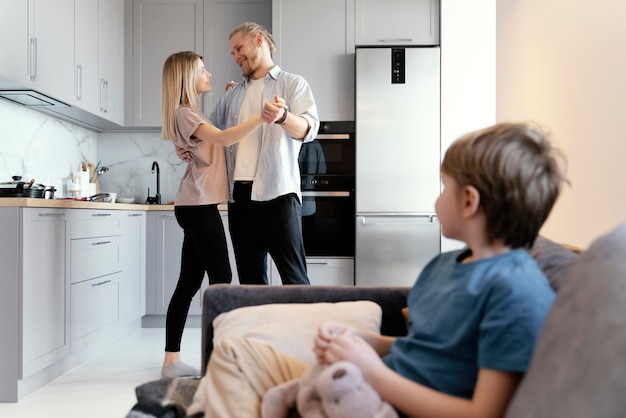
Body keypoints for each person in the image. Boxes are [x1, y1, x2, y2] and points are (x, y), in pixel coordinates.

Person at [196, 122, 568, 417]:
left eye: (444, 188)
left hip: (384, 404)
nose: (437, 198)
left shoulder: (516, 291)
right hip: (365, 383)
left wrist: (371, 371)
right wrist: (364, 342)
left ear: (469, 201)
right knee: (233, 353)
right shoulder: (445, 266)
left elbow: (483, 412)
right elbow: (425, 346)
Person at [160, 51, 284, 378]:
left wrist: (231, 97)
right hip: (199, 206)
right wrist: (261, 117)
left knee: (188, 283)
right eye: (202, 70)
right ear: (187, 76)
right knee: (222, 279)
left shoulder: (192, 112)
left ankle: (172, 361)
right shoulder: (185, 113)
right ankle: (219, 360)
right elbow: (225, 138)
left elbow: (213, 141)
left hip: (198, 204)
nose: (209, 74)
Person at [209, 21, 320, 285]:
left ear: (259, 40)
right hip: (240, 198)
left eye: (239, 48)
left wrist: (283, 116)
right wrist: (186, 143)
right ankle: (260, 328)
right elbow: (210, 132)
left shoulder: (293, 84)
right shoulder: (232, 94)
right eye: (232, 53)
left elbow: (309, 128)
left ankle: (302, 328)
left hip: (278, 194)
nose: (236, 57)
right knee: (250, 282)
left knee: (295, 280)